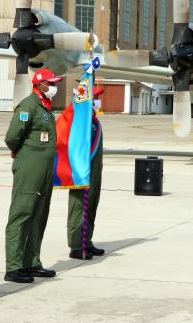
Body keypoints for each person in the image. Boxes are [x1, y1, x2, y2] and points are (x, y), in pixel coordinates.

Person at [4, 68, 63, 283]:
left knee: (39, 214)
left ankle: (32, 261)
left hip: (45, 169)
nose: (55, 87)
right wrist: (21, 153)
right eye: (51, 83)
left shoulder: (46, 108)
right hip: (30, 166)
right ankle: (14, 266)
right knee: (22, 213)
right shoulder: (28, 106)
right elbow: (12, 137)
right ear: (40, 85)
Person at [68, 87, 104, 260]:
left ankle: (86, 242)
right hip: (82, 172)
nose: (98, 100)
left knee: (90, 206)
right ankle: (76, 245)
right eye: (95, 97)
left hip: (94, 172)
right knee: (79, 207)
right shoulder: (80, 121)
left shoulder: (93, 120)